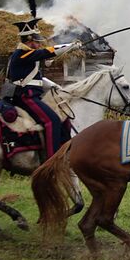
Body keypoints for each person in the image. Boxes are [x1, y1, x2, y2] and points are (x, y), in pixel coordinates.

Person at [5, 14, 81, 160]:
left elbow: (36, 78)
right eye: (37, 42)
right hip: (25, 97)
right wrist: (70, 46)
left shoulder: (28, 55)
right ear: (29, 41)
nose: (39, 44)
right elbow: (47, 52)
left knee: (62, 116)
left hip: (33, 94)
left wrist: (56, 87)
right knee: (51, 121)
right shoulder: (21, 54)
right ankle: (52, 161)